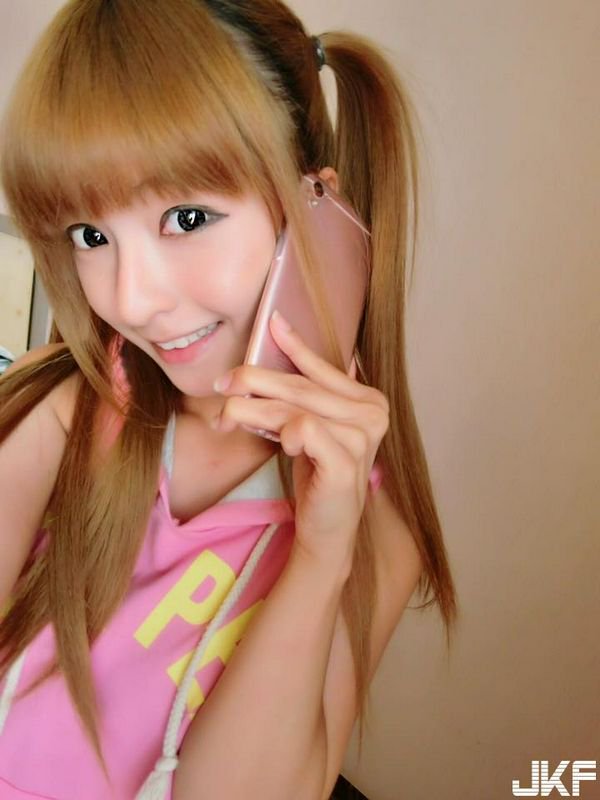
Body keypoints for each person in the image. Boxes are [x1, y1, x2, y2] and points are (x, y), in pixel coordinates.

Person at [0, 1, 458, 798]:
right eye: (90, 236)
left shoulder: (377, 533)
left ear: (316, 213)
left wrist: (320, 553)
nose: (131, 300)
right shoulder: (63, 407)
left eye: (186, 218)